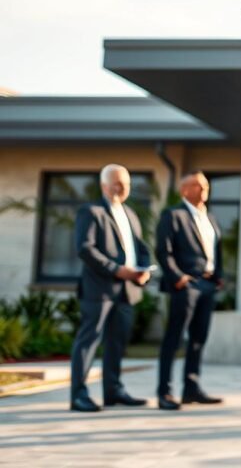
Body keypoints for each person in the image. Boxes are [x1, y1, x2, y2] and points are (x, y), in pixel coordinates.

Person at [69, 164, 154, 412]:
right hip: (99, 290)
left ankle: (113, 391)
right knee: (89, 341)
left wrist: (144, 272)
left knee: (118, 342)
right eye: (115, 183)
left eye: (124, 184)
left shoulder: (131, 214)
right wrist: (116, 269)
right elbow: (85, 249)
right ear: (103, 185)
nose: (120, 188)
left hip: (128, 290)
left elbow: (141, 249)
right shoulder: (91, 211)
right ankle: (78, 395)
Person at [155, 170, 225, 410]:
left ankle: (191, 388)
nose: (204, 189)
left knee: (198, 339)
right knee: (174, 339)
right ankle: (165, 392)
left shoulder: (210, 218)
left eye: (205, 185)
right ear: (184, 190)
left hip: (207, 284)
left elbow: (217, 250)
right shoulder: (173, 215)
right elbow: (164, 251)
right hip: (186, 285)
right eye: (197, 185)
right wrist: (178, 279)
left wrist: (218, 277)